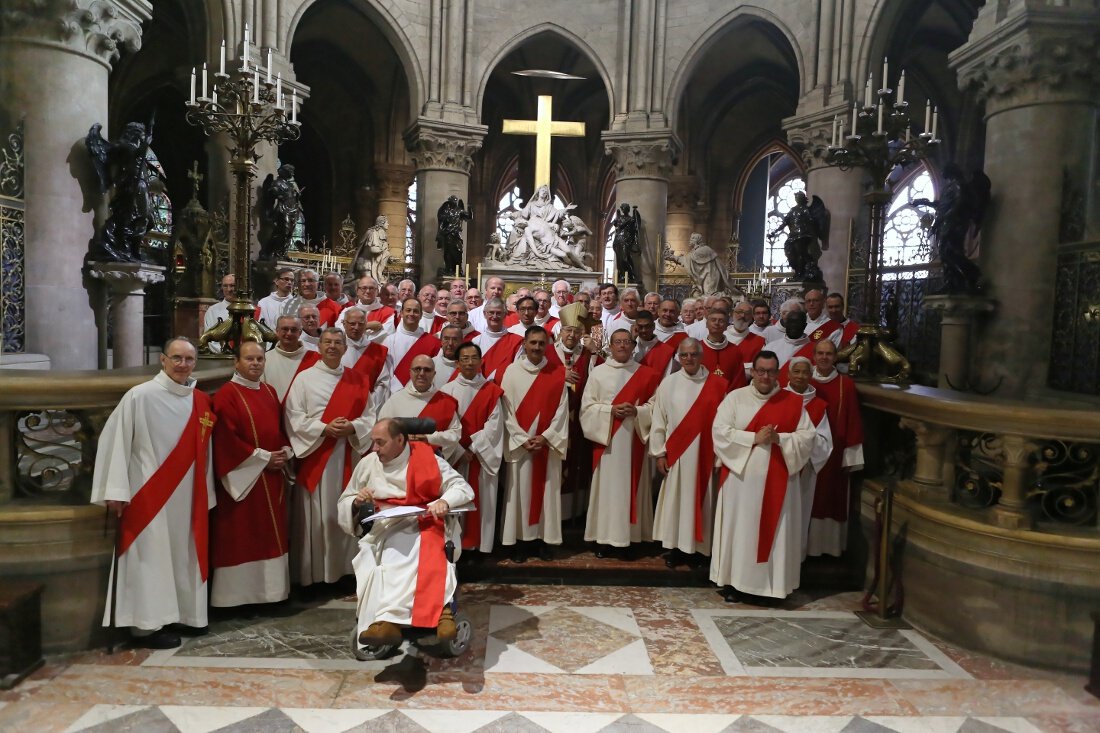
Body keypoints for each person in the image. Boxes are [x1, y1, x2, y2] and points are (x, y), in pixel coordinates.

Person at [91, 337, 215, 649]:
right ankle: (146, 627)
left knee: (182, 554)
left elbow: (206, 452)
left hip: (188, 494)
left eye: (188, 359)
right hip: (149, 494)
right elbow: (116, 441)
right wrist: (116, 490)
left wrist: (207, 491)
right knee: (152, 557)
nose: (182, 365)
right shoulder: (140, 396)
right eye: (176, 358)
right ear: (162, 360)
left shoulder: (200, 400)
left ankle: (185, 614)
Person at [338, 419, 474, 647]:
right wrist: (356, 501)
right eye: (373, 443)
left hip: (426, 521)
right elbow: (346, 498)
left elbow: (462, 488)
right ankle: (389, 621)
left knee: (423, 549)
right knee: (390, 553)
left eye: (380, 443)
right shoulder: (368, 464)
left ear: (400, 440)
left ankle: (424, 616)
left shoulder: (429, 460)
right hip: (385, 527)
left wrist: (444, 501)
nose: (375, 449)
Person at [710, 351, 816, 601]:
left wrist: (780, 438)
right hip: (741, 482)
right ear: (753, 372)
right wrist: (753, 438)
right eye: (761, 371)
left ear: (778, 373)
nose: (765, 376)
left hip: (779, 481)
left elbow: (807, 438)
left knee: (776, 533)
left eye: (771, 371)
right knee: (741, 532)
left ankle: (772, 588)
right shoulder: (735, 398)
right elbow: (719, 432)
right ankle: (735, 583)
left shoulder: (792, 402)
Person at [284, 328, 377, 587]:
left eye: (338, 343)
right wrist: (323, 428)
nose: (333, 347)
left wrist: (354, 428)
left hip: (348, 453)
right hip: (316, 455)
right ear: (319, 347)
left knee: (349, 507)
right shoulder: (304, 379)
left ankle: (347, 570)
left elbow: (371, 416)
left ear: (346, 348)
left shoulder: (358, 380)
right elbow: (293, 417)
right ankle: (314, 575)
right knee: (316, 513)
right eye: (328, 342)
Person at [210, 341, 293, 609]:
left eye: (260, 359)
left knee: (270, 534)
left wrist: (282, 452)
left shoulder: (269, 391)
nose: (256, 363)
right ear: (236, 362)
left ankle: (271, 595)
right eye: (249, 359)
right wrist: (263, 458)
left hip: (271, 475)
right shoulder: (226, 395)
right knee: (243, 535)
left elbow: (278, 429)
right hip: (243, 479)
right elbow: (225, 440)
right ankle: (237, 600)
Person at [581, 329, 661, 557]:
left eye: (627, 342)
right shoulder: (598, 373)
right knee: (608, 491)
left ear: (634, 345)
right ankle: (604, 539)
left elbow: (657, 407)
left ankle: (633, 538)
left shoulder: (648, 374)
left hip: (635, 440)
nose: (623, 346)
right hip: (608, 444)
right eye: (618, 342)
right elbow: (587, 408)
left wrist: (637, 411)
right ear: (611, 346)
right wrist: (610, 411)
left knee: (633, 488)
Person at [650, 338, 727, 567]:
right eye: (684, 355)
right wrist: (660, 453)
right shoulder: (668, 384)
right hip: (677, 454)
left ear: (702, 356)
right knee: (677, 502)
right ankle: (675, 548)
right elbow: (658, 422)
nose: (689, 359)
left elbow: (724, 425)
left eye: (694, 354)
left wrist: (719, 456)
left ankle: (701, 551)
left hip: (705, 455)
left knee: (704, 502)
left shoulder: (719, 385)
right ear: (679, 358)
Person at [501, 327, 570, 561]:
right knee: (519, 494)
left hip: (546, 446)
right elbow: (506, 411)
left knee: (547, 494)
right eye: (533, 343)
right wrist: (521, 439)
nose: (537, 348)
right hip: (521, 446)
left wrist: (546, 437)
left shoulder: (557, 373)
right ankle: (521, 542)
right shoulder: (511, 372)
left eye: (542, 343)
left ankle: (543, 541)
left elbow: (562, 411)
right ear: (525, 343)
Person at [441, 342, 505, 555]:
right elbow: (444, 424)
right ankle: (456, 548)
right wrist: (460, 450)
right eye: (465, 359)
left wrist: (474, 448)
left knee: (483, 502)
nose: (470, 363)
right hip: (457, 458)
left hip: (480, 458)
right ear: (457, 363)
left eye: (474, 358)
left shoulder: (491, 391)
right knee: (456, 499)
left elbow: (495, 425)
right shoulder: (446, 391)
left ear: (481, 361)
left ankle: (478, 549)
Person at [809, 338, 864, 557]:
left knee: (830, 497)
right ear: (814, 355)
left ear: (835, 357)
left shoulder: (845, 385)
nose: (824, 358)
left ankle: (827, 549)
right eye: (820, 353)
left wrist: (851, 455)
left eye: (829, 354)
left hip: (835, 452)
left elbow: (852, 419)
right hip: (805, 452)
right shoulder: (802, 378)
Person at [784, 357, 833, 558]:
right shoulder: (777, 398)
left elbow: (824, 441)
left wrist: (801, 443)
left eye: (805, 372)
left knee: (799, 515)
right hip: (780, 467)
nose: (801, 376)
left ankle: (796, 558)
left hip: (805, 471)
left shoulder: (819, 406)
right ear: (788, 374)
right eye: (796, 371)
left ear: (811, 375)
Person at [378, 355, 462, 455]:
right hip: (400, 463)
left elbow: (455, 434)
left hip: (433, 462)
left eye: (427, 370)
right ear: (410, 372)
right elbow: (381, 433)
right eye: (417, 369)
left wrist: (429, 439)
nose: (422, 373)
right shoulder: (395, 400)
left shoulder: (446, 402)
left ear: (434, 374)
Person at [383, 298, 442, 393]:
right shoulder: (388, 341)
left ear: (421, 315)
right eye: (408, 310)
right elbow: (385, 372)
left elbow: (434, 372)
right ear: (401, 313)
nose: (411, 314)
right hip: (394, 393)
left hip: (423, 394)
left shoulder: (433, 343)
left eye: (415, 311)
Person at [339, 306, 391, 404]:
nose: (356, 327)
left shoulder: (378, 351)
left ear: (366, 325)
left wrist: (368, 403)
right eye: (352, 323)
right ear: (344, 324)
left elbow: (383, 383)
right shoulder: (335, 349)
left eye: (361, 324)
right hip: (338, 402)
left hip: (367, 407)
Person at [263, 315, 321, 403]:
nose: (289, 333)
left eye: (294, 330)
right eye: (285, 329)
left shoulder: (314, 358)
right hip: (273, 411)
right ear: (277, 331)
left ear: (300, 333)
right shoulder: (265, 359)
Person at [472, 297, 524, 384]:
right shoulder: (476, 341)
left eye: (499, 313)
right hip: (480, 390)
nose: (495, 316)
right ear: (485, 314)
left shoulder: (517, 342)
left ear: (505, 315)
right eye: (491, 312)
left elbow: (517, 371)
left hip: (506, 389)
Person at [701, 309, 747, 392]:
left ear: (727, 326)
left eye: (721, 321)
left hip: (727, 401)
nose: (717, 323)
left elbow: (739, 381)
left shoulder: (735, 351)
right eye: (713, 320)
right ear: (706, 324)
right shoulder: (697, 348)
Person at [765, 310, 814, 384]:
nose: (793, 326)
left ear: (805, 325)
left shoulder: (815, 350)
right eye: (790, 322)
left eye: (797, 322)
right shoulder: (771, 347)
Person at [727, 300, 766, 379]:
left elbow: (760, 367)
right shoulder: (722, 337)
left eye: (747, 313)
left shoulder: (759, 341)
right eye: (739, 312)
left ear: (752, 317)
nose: (742, 315)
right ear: (733, 313)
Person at [635, 310, 676, 377]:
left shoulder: (665, 351)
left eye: (647, 326)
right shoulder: (631, 347)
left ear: (653, 326)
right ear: (636, 327)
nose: (644, 330)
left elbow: (667, 377)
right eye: (640, 327)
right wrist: (632, 340)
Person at [203, 274, 237, 354]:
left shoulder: (248, 309)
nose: (229, 289)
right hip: (222, 357)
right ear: (221, 287)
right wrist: (227, 352)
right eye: (225, 286)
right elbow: (209, 338)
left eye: (232, 285)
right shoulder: (213, 311)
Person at [352, 215, 391, 284]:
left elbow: (384, 251)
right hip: (365, 263)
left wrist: (389, 257)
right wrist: (383, 249)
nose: (388, 224)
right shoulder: (373, 232)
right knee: (369, 283)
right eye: (387, 222)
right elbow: (373, 249)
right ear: (382, 223)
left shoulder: (382, 233)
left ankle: (379, 277)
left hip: (373, 262)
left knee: (387, 254)